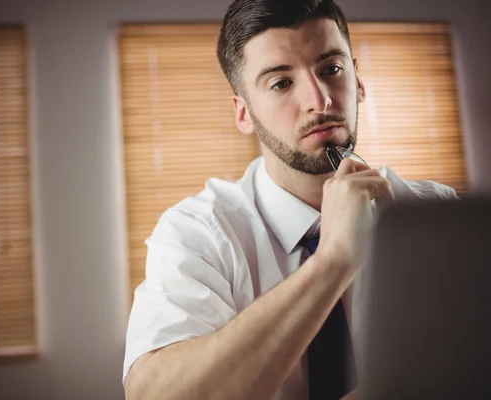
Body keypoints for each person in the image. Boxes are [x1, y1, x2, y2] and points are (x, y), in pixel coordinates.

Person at [122, 0, 458, 399]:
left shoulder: (440, 215)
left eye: (331, 70)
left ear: (358, 80)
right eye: (282, 83)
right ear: (244, 113)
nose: (320, 101)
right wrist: (332, 261)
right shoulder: (197, 232)